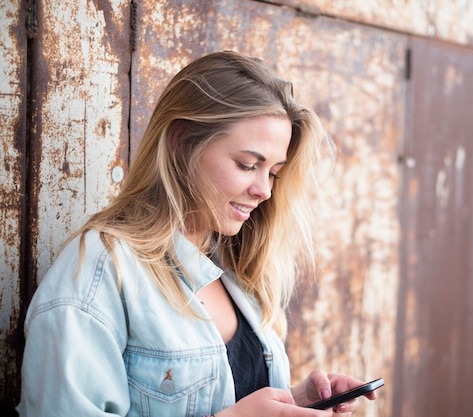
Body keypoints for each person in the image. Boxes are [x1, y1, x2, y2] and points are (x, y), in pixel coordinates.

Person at [18, 51, 377, 416]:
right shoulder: (101, 270)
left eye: (273, 173)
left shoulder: (237, 268)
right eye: (248, 165)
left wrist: (295, 403)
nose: (264, 190)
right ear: (181, 142)